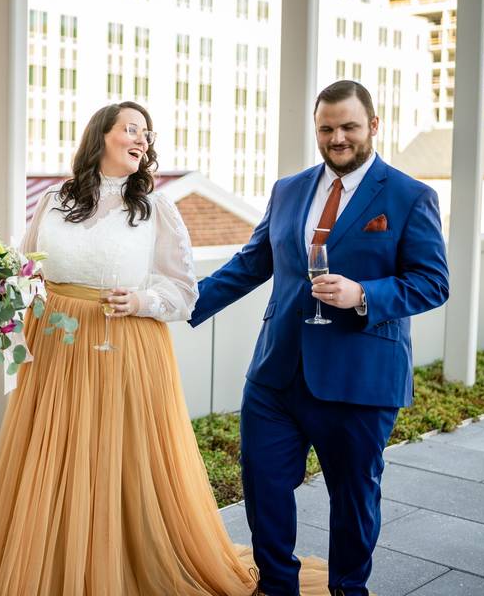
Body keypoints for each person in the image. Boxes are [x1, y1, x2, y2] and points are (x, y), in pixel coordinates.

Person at [0, 101, 327, 595]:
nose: (141, 140)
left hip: (124, 345)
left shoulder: (155, 209)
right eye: (131, 129)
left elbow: (184, 292)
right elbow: (29, 269)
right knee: (58, 456)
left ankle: (119, 562)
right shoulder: (52, 200)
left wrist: (142, 299)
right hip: (53, 347)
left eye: (146, 134)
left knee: (114, 458)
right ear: (100, 136)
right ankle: (57, 564)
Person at [189, 80, 449, 596]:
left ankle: (349, 590)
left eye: (349, 126)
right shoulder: (289, 188)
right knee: (263, 490)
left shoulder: (410, 195)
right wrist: (175, 304)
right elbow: (252, 264)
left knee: (353, 501)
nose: (337, 138)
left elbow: (433, 282)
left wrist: (362, 294)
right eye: (326, 128)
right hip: (276, 373)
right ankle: (277, 587)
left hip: (360, 379)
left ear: (373, 125)